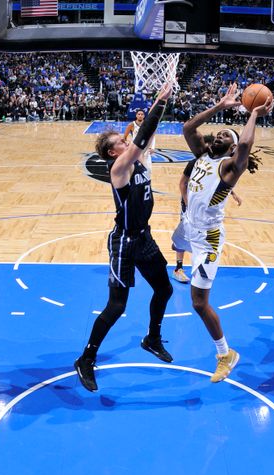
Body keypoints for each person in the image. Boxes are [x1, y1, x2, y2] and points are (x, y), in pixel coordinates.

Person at [74, 81, 176, 393]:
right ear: (112, 151)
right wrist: (160, 100)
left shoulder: (139, 159)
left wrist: (160, 107)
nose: (127, 140)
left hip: (144, 237)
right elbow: (142, 136)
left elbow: (144, 138)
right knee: (117, 306)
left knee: (165, 289)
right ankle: (86, 359)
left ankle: (152, 338)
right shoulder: (119, 167)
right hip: (124, 242)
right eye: (121, 140)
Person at [178, 83, 270, 383]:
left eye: (226, 136)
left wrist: (253, 114)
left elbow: (244, 147)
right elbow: (188, 127)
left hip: (208, 239)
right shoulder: (203, 156)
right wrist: (221, 106)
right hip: (191, 229)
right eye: (218, 132)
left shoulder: (230, 168)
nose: (219, 134)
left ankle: (225, 354)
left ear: (231, 147)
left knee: (198, 303)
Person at [171, 134, 242, 284]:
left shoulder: (219, 164)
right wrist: (188, 203)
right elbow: (183, 183)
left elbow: (215, 184)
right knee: (181, 239)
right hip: (189, 205)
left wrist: (233, 192)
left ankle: (195, 268)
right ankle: (178, 267)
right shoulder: (195, 162)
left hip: (201, 211)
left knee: (193, 242)